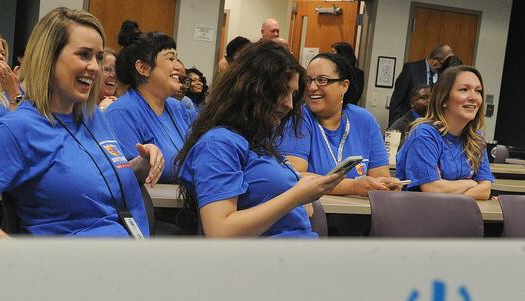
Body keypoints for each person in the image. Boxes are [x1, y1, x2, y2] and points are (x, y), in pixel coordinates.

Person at [0, 7, 164, 237]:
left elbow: (96, 177)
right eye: (84, 55)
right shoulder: (19, 128)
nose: (94, 67)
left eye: (98, 57)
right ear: (50, 58)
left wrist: (140, 164)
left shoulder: (92, 117)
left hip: (131, 257)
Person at [175, 41, 343, 238]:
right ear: (253, 88)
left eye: (293, 94)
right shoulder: (218, 143)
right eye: (283, 91)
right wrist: (296, 196)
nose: (289, 104)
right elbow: (220, 231)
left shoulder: (256, 142)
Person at [279, 53, 400, 196]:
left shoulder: (364, 120)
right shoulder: (297, 116)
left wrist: (385, 184)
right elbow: (294, 176)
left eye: (322, 80)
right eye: (308, 80)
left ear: (344, 85)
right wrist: (353, 186)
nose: (311, 87)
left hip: (359, 213)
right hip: (316, 213)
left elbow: (379, 175)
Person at [104, 31, 191, 183]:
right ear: (143, 68)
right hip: (151, 205)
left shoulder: (178, 108)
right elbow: (126, 178)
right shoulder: (121, 113)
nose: (178, 66)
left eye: (177, 59)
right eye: (171, 58)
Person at [396, 65, 493, 200]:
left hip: (459, 214)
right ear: (444, 99)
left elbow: (485, 190)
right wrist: (470, 183)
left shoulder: (476, 138)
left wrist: (446, 189)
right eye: (464, 90)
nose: (473, 97)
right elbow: (432, 189)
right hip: (422, 216)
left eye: (478, 91)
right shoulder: (425, 135)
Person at [389, 44, 453, 125]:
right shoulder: (411, 69)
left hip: (431, 124)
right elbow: (396, 100)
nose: (442, 68)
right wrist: (395, 127)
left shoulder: (442, 75)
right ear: (435, 59)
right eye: (442, 64)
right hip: (408, 123)